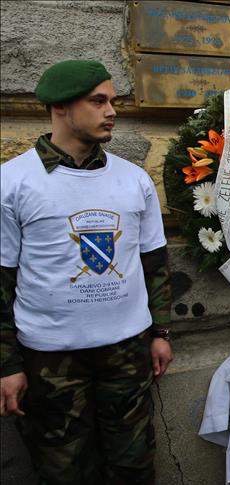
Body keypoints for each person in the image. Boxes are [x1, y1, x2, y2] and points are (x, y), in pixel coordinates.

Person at [0, 60, 172, 483]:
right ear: (60, 107)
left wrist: (160, 333)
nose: (111, 111)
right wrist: (6, 364)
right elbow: (1, 281)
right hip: (51, 359)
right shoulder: (13, 182)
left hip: (127, 353)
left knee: (134, 467)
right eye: (98, 101)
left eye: (112, 101)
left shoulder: (133, 180)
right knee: (65, 472)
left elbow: (154, 263)